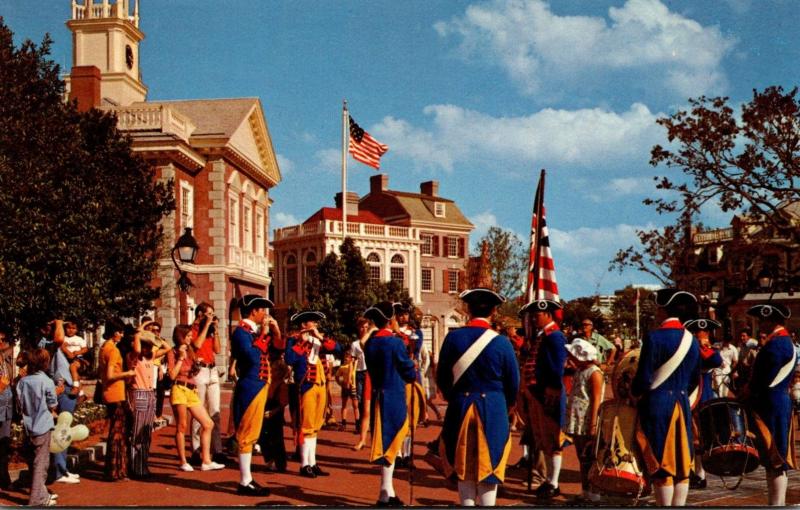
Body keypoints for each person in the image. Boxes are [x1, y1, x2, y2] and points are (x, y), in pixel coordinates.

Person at [435, 289, 519, 506]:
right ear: (493, 310)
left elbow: (442, 376)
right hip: (493, 407)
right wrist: (507, 406)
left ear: (467, 309)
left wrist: (453, 396)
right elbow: (513, 382)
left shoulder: (453, 338)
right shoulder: (502, 342)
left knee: (462, 465)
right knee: (490, 463)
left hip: (460, 406)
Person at [631, 289, 700, 507]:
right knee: (681, 464)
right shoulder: (692, 339)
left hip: (657, 404)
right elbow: (695, 380)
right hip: (681, 404)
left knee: (659, 462)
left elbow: (643, 378)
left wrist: (633, 394)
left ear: (663, 309)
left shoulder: (653, 337)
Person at [740, 303, 796, 506]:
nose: (760, 323)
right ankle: (776, 502)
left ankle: (777, 503)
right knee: (774, 457)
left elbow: (763, 378)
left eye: (763, 320)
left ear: (773, 321)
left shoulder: (777, 344)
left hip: (771, 405)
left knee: (776, 456)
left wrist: (747, 391)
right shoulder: (780, 341)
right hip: (775, 402)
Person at [362, 301, 418, 506]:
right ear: (389, 319)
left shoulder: (371, 343)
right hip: (394, 395)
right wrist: (413, 368)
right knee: (391, 443)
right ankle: (384, 494)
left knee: (388, 443)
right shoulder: (394, 342)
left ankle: (386, 491)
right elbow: (408, 371)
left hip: (379, 393)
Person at [230, 294, 283, 496]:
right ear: (253, 311)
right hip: (250, 386)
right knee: (246, 435)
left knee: (253, 434)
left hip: (259, 385)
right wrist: (264, 334)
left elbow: (277, 349)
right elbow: (251, 357)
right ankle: (244, 481)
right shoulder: (241, 333)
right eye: (262, 310)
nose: (265, 314)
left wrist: (274, 332)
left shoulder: (253, 333)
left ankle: (248, 479)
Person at [518, 298, 569, 500]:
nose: (534, 319)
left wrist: (551, 392)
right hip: (538, 394)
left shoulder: (554, 337)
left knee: (553, 440)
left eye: (537, 315)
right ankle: (549, 480)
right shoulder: (543, 336)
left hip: (549, 395)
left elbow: (557, 368)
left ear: (547, 314)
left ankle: (554, 482)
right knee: (544, 441)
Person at [285, 310, 341, 478]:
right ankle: (304, 464)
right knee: (306, 426)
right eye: (313, 322)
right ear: (304, 325)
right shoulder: (294, 340)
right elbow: (289, 359)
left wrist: (320, 336)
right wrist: (301, 343)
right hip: (306, 385)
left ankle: (313, 462)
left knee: (315, 426)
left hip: (321, 384)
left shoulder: (318, 339)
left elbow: (337, 348)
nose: (316, 325)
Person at [167, 325, 225, 473]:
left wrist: (196, 364)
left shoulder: (191, 350)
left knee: (208, 423)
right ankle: (183, 461)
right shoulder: (172, 352)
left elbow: (193, 371)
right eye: (187, 336)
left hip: (192, 389)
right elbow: (172, 375)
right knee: (182, 426)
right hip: (179, 388)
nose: (190, 338)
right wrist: (181, 358)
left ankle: (206, 461)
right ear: (180, 336)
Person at [684, 318, 723, 490]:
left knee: (700, 437)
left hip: (703, 397)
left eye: (705, 332)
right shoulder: (687, 350)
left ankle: (700, 473)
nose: (702, 335)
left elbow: (716, 361)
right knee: (689, 436)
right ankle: (690, 470)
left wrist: (703, 347)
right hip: (688, 395)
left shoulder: (707, 351)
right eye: (699, 332)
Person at [564, 338, 604, 503]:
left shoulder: (594, 373)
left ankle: (594, 493)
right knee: (582, 457)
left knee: (589, 456)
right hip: (578, 419)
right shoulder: (580, 371)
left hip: (587, 419)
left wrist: (593, 424)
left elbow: (596, 399)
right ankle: (586, 490)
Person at [17, 348, 58, 506]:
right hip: (43, 425)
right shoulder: (46, 381)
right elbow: (52, 403)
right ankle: (36, 499)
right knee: (41, 463)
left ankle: (41, 493)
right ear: (45, 363)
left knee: (34, 461)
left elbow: (20, 405)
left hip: (29, 426)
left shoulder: (23, 381)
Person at [98, 317, 134, 481]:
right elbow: (111, 374)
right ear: (114, 333)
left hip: (110, 392)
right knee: (118, 433)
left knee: (117, 432)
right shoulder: (113, 350)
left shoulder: (104, 348)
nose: (121, 335)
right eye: (120, 332)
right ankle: (115, 470)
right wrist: (128, 373)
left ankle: (116, 469)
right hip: (116, 393)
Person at [189, 303, 224, 465]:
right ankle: (196, 449)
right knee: (198, 411)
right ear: (200, 314)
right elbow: (196, 345)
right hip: (200, 371)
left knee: (215, 411)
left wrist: (215, 330)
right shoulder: (193, 329)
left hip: (212, 370)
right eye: (209, 314)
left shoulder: (210, 330)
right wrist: (206, 325)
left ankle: (217, 449)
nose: (212, 316)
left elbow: (217, 350)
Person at [48, 322, 81, 486]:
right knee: (62, 429)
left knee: (64, 430)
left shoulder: (63, 347)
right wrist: (59, 322)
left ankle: (62, 468)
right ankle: (59, 470)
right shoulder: (55, 345)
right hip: (63, 388)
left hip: (69, 387)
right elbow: (60, 338)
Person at [125, 324, 158, 479]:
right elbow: (137, 350)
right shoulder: (133, 357)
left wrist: (150, 334)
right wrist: (139, 334)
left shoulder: (150, 358)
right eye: (147, 345)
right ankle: (136, 467)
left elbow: (166, 347)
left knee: (146, 433)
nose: (149, 348)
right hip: (139, 393)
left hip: (150, 393)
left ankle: (143, 464)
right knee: (137, 432)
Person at [352, 318, 377, 452]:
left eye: (367, 327)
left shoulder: (378, 341)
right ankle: (362, 440)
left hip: (378, 376)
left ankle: (375, 440)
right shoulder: (363, 343)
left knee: (378, 411)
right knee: (366, 410)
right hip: (366, 375)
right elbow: (362, 343)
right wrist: (373, 329)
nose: (365, 329)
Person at [142, 320, 171, 425]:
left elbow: (167, 349)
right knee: (151, 393)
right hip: (149, 369)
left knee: (159, 393)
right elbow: (151, 357)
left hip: (157, 368)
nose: (155, 332)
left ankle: (157, 414)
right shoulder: (147, 342)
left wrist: (161, 367)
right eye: (153, 330)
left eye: (157, 331)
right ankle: (152, 415)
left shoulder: (158, 342)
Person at [60, 320, 89, 399]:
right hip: (66, 359)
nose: (71, 330)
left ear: (76, 330)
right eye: (68, 328)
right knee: (75, 376)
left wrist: (77, 352)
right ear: (65, 328)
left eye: (73, 328)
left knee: (73, 367)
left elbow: (85, 349)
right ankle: (82, 394)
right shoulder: (63, 338)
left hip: (78, 359)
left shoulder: (79, 339)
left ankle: (75, 388)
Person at [0, 328, 13, 490]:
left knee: (4, 445)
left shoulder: (4, 358)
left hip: (7, 408)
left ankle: (4, 478)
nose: (2, 343)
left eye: (3, 339)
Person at [335, 352, 359, 432]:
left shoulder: (355, 365)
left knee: (355, 405)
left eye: (348, 357)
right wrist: (340, 383)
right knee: (344, 405)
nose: (346, 358)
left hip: (353, 387)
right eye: (345, 357)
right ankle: (343, 423)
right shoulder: (342, 367)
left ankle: (357, 425)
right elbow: (337, 376)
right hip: (345, 387)